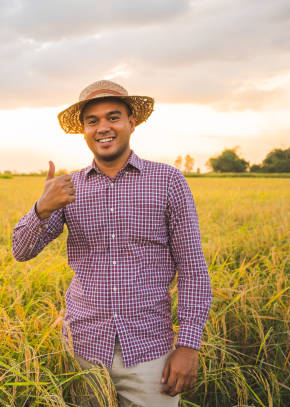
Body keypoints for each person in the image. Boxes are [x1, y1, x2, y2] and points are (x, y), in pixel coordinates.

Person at [12, 80, 212, 407]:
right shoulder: (68, 188)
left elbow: (192, 270)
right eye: (92, 121)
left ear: (132, 122)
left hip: (149, 355)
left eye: (113, 117)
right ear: (83, 130)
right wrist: (42, 207)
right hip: (83, 351)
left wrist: (189, 346)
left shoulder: (168, 181)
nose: (103, 127)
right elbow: (21, 251)